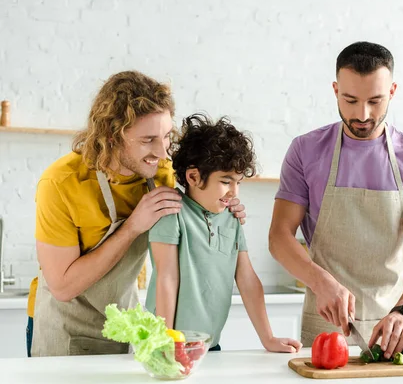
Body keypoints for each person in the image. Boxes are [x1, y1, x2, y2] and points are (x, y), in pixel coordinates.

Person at [28, 71, 247, 357]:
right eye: (147, 140)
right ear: (112, 137)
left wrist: (226, 206)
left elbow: (203, 202)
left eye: (166, 136)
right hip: (65, 328)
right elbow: (63, 287)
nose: (162, 152)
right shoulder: (61, 183)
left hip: (126, 326)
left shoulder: (162, 174)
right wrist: (132, 227)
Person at [269, 41, 403, 360]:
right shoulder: (305, 152)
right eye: (350, 100)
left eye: (375, 101)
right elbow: (279, 237)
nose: (362, 115)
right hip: (324, 328)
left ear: (392, 91)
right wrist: (320, 281)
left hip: (394, 328)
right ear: (335, 90)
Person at [145, 113, 301, 353]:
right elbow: (167, 278)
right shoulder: (171, 212)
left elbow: (247, 280)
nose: (233, 192)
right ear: (193, 177)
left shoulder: (232, 219)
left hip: (209, 345)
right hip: (167, 346)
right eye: (226, 181)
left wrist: (268, 338)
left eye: (238, 182)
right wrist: (167, 340)